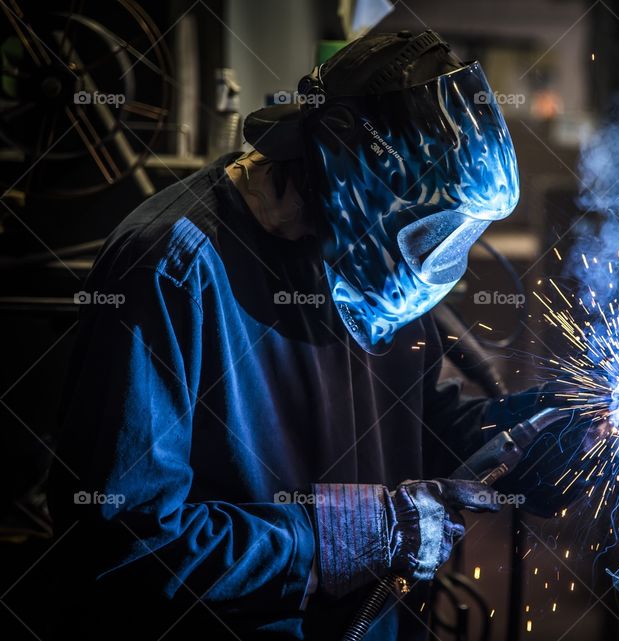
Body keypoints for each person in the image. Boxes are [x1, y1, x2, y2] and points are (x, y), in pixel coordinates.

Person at [48, 30, 569, 641]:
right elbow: (124, 540)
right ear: (361, 178)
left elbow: (409, 419)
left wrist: (515, 442)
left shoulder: (363, 265)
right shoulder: (172, 269)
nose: (434, 258)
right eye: (430, 229)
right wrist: (330, 538)